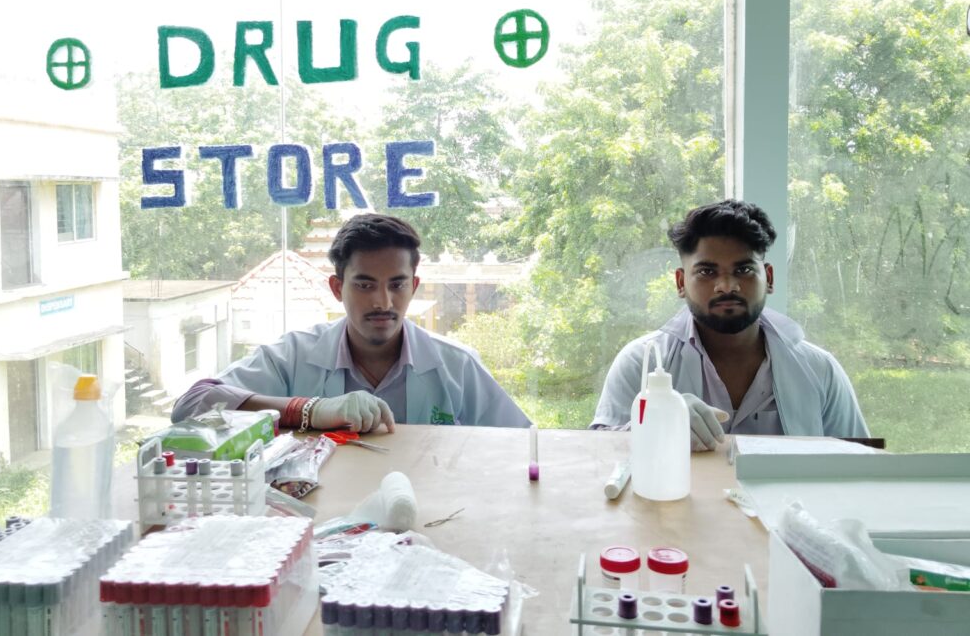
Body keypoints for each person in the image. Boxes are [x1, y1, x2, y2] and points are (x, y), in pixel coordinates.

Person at [172, 213, 531, 432]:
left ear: (414, 286)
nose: (383, 302)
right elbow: (191, 405)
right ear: (336, 287)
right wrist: (310, 410)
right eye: (364, 285)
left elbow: (521, 445)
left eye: (397, 284)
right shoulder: (293, 355)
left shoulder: (456, 365)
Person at [591, 200, 869, 449]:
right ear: (681, 282)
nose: (726, 286)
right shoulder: (642, 362)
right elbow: (599, 454)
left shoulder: (820, 370)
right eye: (706, 271)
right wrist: (653, 424)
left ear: (769, 279)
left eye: (744, 270)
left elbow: (859, 464)